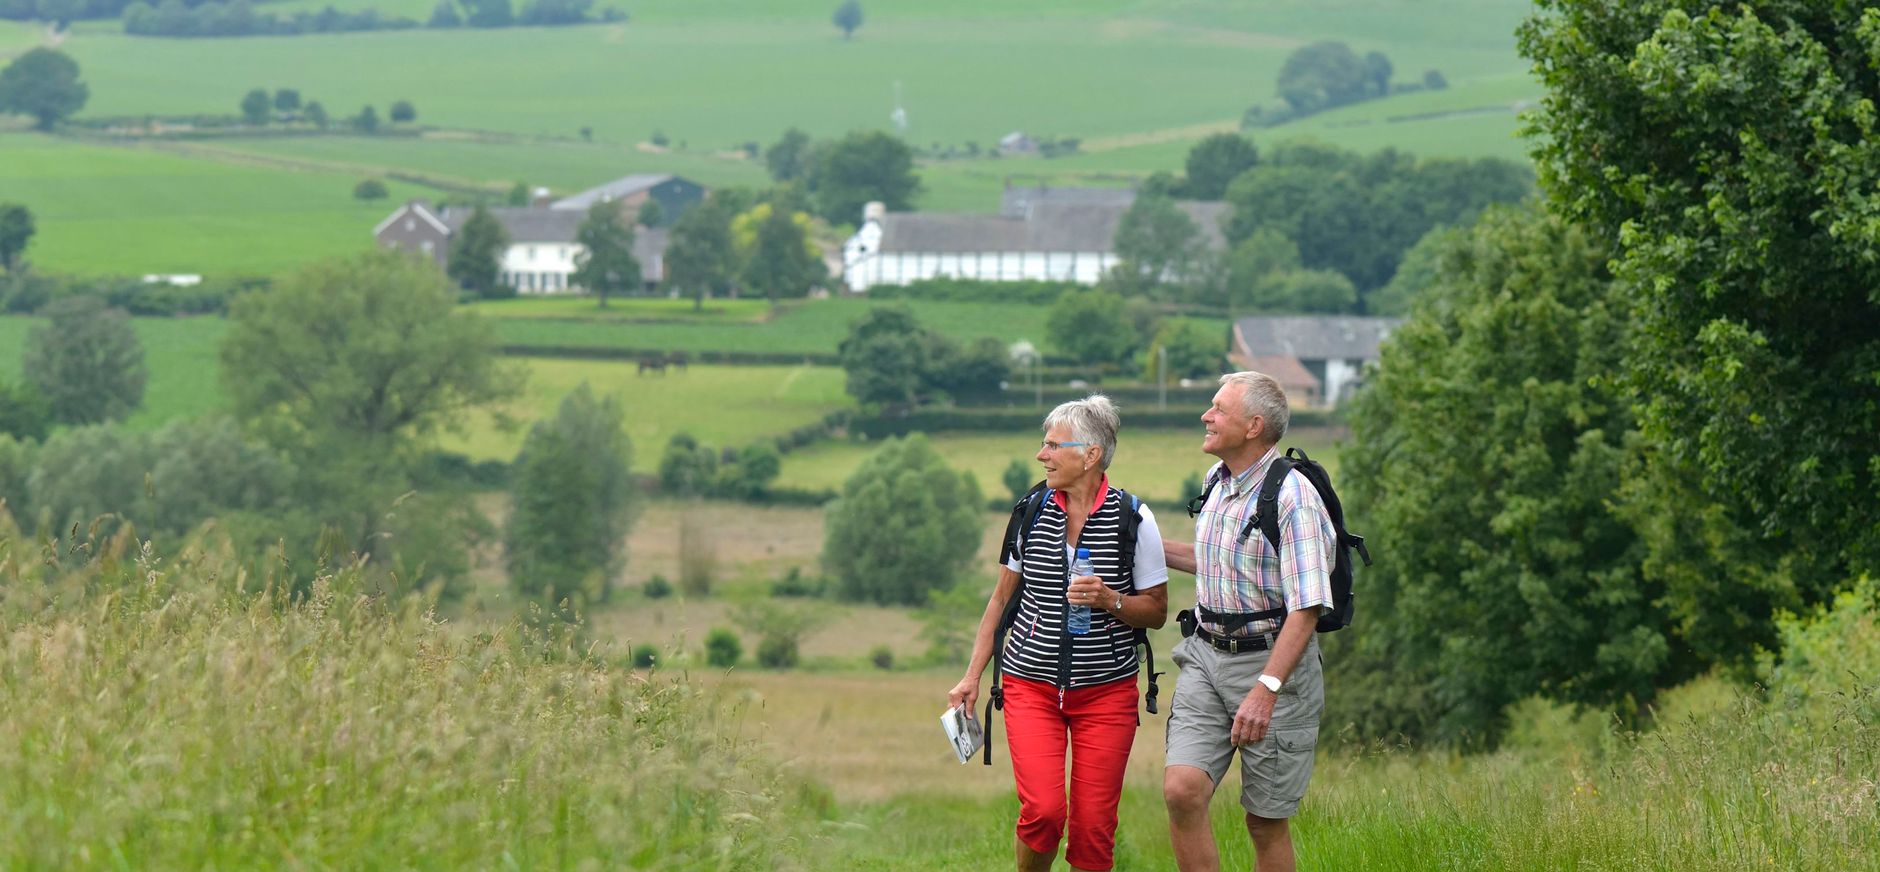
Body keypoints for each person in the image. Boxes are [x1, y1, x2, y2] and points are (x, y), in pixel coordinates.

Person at [948, 395, 1171, 872]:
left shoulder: (1136, 519)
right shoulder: (1029, 510)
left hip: (1107, 694)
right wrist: (971, 676)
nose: (1040, 455)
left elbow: (1156, 611)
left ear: (1090, 454)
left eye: (1052, 445)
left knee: (1093, 833)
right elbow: (1000, 600)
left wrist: (1110, 599)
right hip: (1031, 687)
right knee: (1044, 814)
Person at [1162, 372, 1335, 872]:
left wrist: (1266, 689)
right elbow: (1212, 560)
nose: (1206, 416)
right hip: (1204, 655)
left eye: (1218, 408)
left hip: (1272, 666)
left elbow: (1307, 606)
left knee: (1264, 821)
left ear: (1254, 425)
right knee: (1182, 791)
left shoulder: (1293, 497)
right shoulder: (1216, 483)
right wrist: (1136, 534)